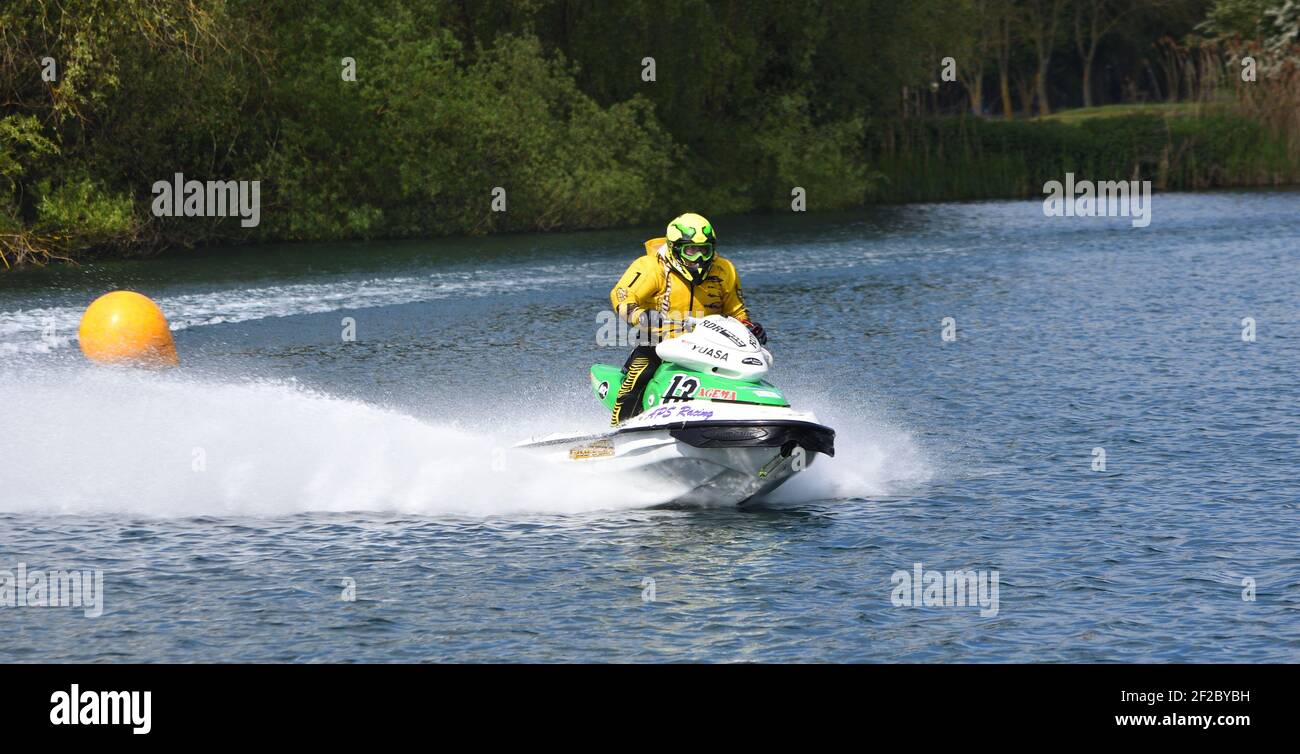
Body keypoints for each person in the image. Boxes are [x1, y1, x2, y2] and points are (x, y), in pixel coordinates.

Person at [607, 212, 766, 426]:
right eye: (691, 250)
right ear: (674, 248)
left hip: (711, 344)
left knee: (747, 371)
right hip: (658, 342)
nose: (699, 258)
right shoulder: (651, 267)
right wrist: (639, 316)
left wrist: (749, 327)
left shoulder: (725, 270)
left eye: (704, 250)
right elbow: (622, 294)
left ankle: (758, 413)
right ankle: (620, 429)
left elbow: (736, 312)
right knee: (638, 378)